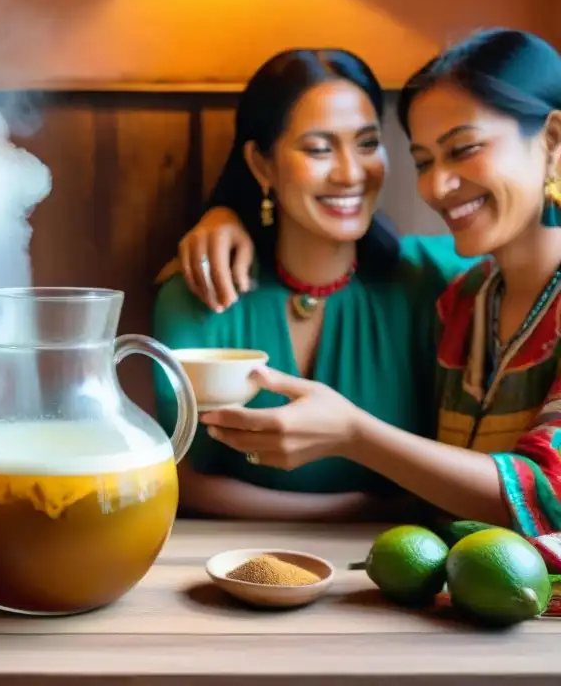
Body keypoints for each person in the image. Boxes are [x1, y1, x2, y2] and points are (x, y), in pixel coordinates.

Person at [196, 28, 561, 568]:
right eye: (422, 160)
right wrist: (227, 214)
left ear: (553, 140)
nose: (436, 186)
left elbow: (549, 496)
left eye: (463, 149)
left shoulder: (443, 286)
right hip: (449, 601)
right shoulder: (462, 299)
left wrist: (354, 434)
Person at [153, 48, 478, 522]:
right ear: (262, 165)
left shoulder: (438, 280)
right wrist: (356, 511)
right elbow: (175, 472)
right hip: (228, 562)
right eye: (319, 149)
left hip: (409, 565)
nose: (350, 173)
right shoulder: (199, 296)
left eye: (367, 144)